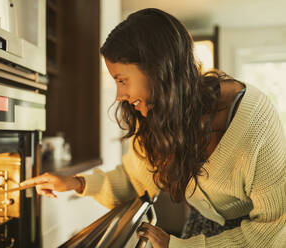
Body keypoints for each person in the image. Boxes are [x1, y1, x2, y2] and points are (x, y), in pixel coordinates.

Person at [21, 8, 286, 248]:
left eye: (122, 80)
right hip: (201, 228)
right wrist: (75, 182)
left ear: (157, 70)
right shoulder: (159, 118)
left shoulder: (254, 121)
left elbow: (273, 230)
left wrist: (179, 246)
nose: (118, 95)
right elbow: (132, 179)